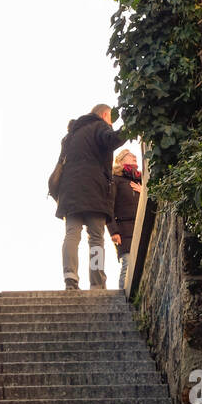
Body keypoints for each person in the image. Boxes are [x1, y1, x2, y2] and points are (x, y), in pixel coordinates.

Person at [55, 103, 128, 290]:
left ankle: (70, 277)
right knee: (96, 238)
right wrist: (128, 127)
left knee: (72, 234)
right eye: (110, 119)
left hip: (69, 192)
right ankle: (97, 283)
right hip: (94, 191)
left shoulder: (70, 136)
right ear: (105, 115)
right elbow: (111, 140)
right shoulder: (99, 125)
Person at [111, 147, 143, 291]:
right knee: (127, 264)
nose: (134, 156)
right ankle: (121, 300)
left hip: (141, 226)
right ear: (121, 160)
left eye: (134, 155)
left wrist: (144, 192)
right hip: (124, 230)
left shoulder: (142, 179)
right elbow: (109, 207)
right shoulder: (115, 180)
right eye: (130, 155)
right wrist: (113, 231)